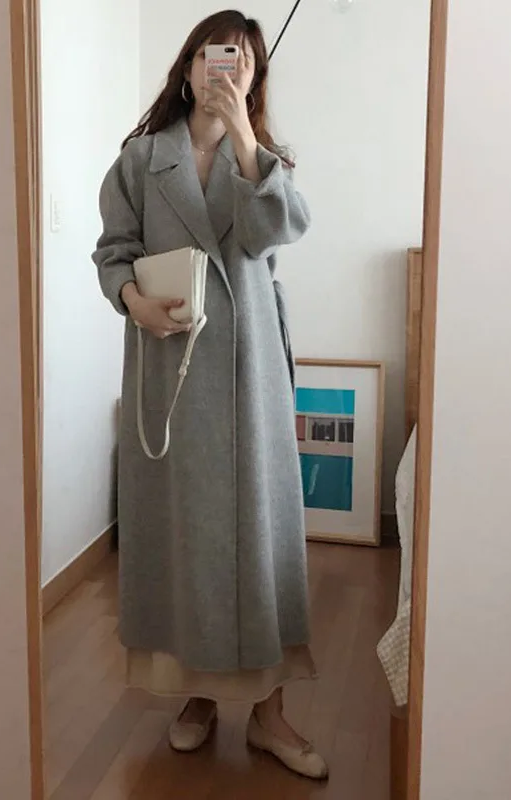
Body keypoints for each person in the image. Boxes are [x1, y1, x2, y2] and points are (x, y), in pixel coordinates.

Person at [93, 10, 327, 780]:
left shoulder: (265, 162)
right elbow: (113, 252)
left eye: (241, 61)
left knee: (258, 531)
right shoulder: (141, 159)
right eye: (209, 54)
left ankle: (269, 714)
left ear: (255, 78)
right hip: (172, 363)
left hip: (248, 367)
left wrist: (248, 142)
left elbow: (283, 228)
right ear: (188, 66)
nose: (222, 69)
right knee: (184, 531)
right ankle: (194, 694)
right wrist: (133, 301)